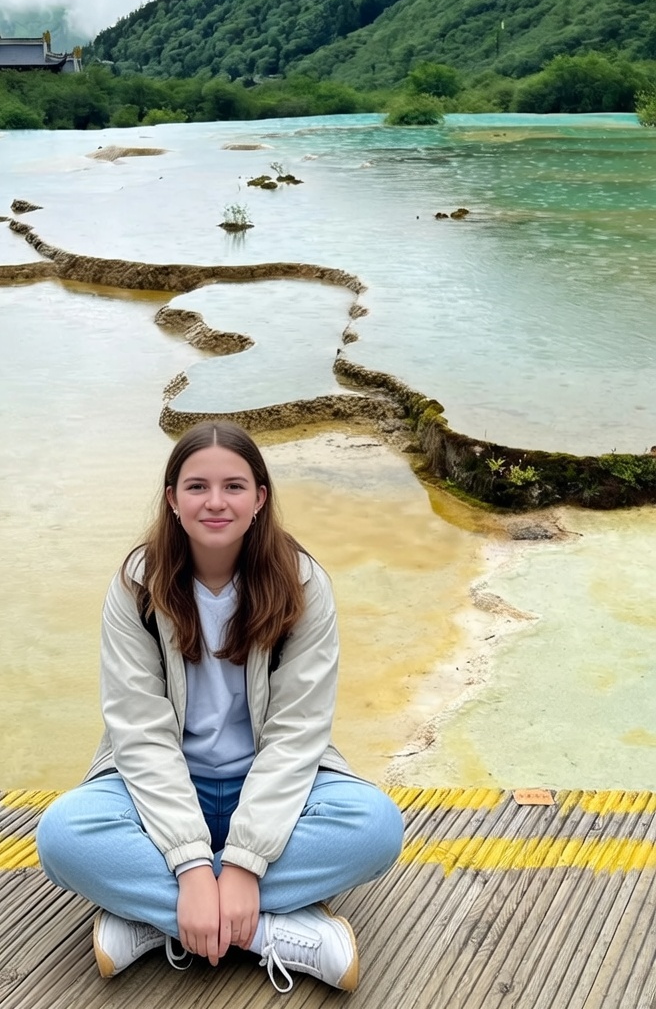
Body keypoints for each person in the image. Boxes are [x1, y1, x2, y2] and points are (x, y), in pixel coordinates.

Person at [36, 421, 404, 994]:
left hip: (270, 783)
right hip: (157, 787)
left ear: (260, 498)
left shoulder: (302, 585)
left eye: (234, 486)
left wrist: (243, 863)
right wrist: (190, 864)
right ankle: (266, 931)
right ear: (172, 499)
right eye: (196, 487)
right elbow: (139, 733)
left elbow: (297, 733)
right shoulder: (138, 585)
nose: (215, 502)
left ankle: (158, 923)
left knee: (376, 826)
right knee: (62, 836)